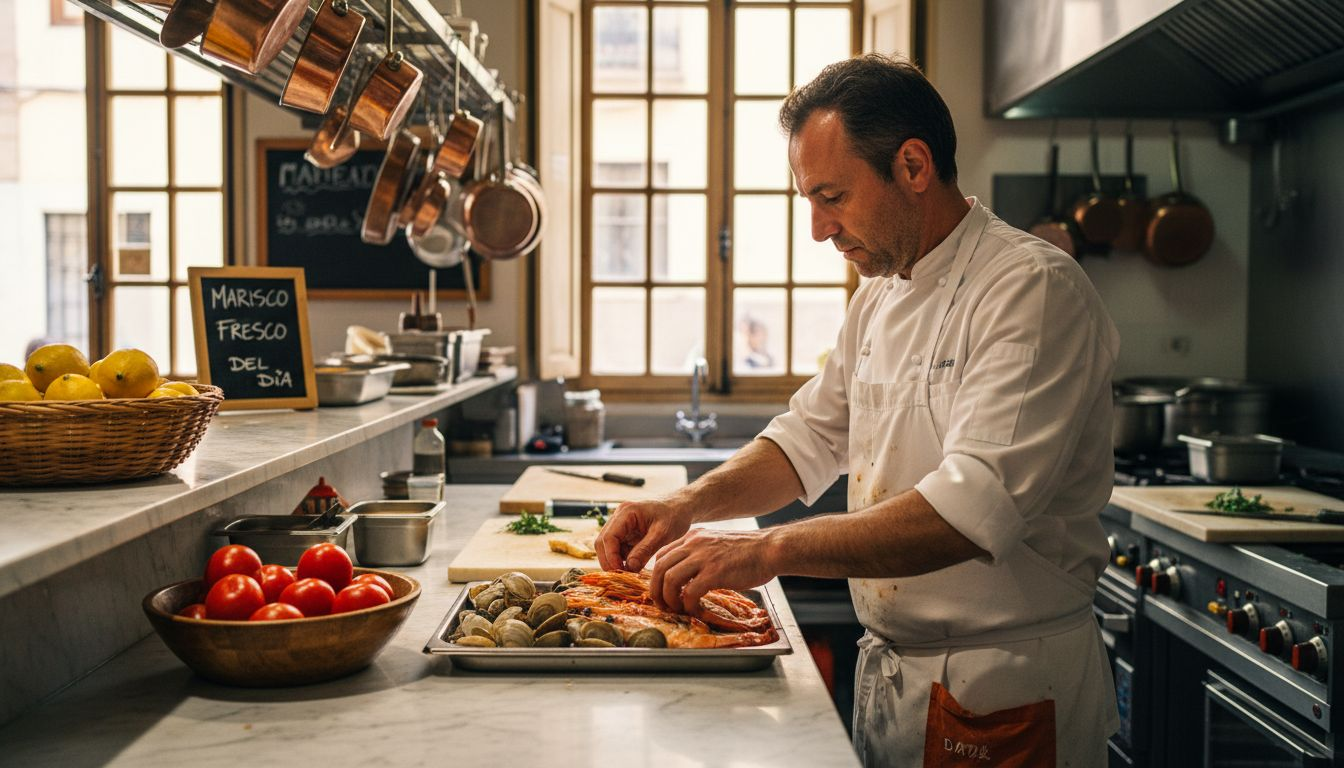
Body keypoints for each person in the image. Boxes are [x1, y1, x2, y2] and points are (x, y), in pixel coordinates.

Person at [596, 54, 1120, 767]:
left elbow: (971, 511)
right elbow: (809, 437)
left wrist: (766, 549)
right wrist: (686, 505)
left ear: (912, 166)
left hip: (1001, 686)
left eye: (832, 196)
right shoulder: (880, 291)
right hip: (895, 677)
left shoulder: (1032, 290)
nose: (817, 229)